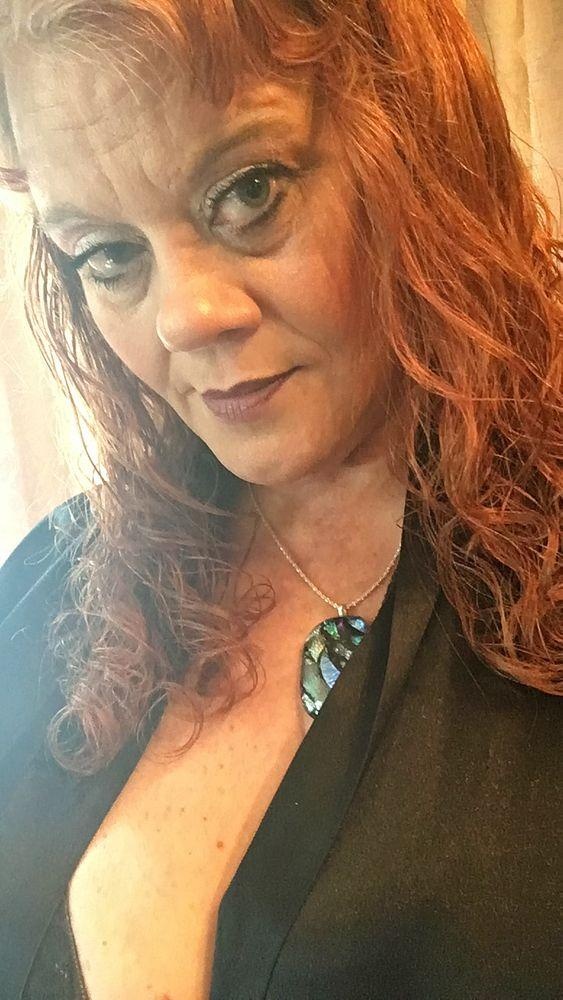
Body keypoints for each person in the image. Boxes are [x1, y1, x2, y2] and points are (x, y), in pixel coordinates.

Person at [0, 0, 561, 997]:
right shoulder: (48, 592)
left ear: (417, 142)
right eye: (110, 256)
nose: (183, 319)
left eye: (247, 191)